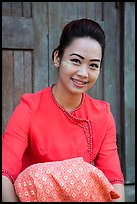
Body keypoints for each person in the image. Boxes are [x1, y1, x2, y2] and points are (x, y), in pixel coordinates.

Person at [2, 18, 125, 202]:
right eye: (76, 61)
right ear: (57, 58)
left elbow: (114, 181)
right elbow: (4, 173)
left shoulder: (103, 116)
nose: (84, 73)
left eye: (93, 65)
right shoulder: (29, 108)